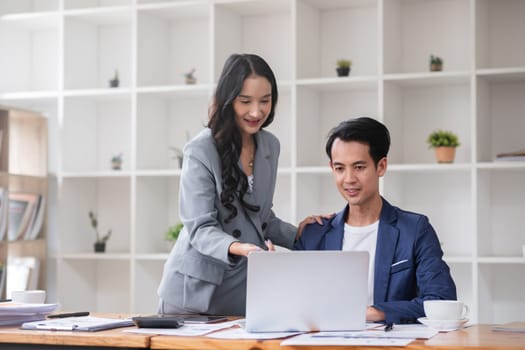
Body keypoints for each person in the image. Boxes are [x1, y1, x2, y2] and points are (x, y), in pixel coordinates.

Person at [157, 53, 324, 316]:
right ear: (228, 100)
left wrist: (301, 236)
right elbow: (200, 228)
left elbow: (261, 217)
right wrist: (242, 249)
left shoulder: (270, 146)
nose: (256, 111)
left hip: (241, 288)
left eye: (265, 101)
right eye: (245, 101)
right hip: (194, 293)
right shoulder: (201, 149)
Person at [294, 117, 457, 324]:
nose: (349, 179)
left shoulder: (415, 229)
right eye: (340, 168)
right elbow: (293, 304)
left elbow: (442, 300)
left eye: (359, 167)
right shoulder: (313, 234)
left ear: (381, 166)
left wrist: (375, 313)